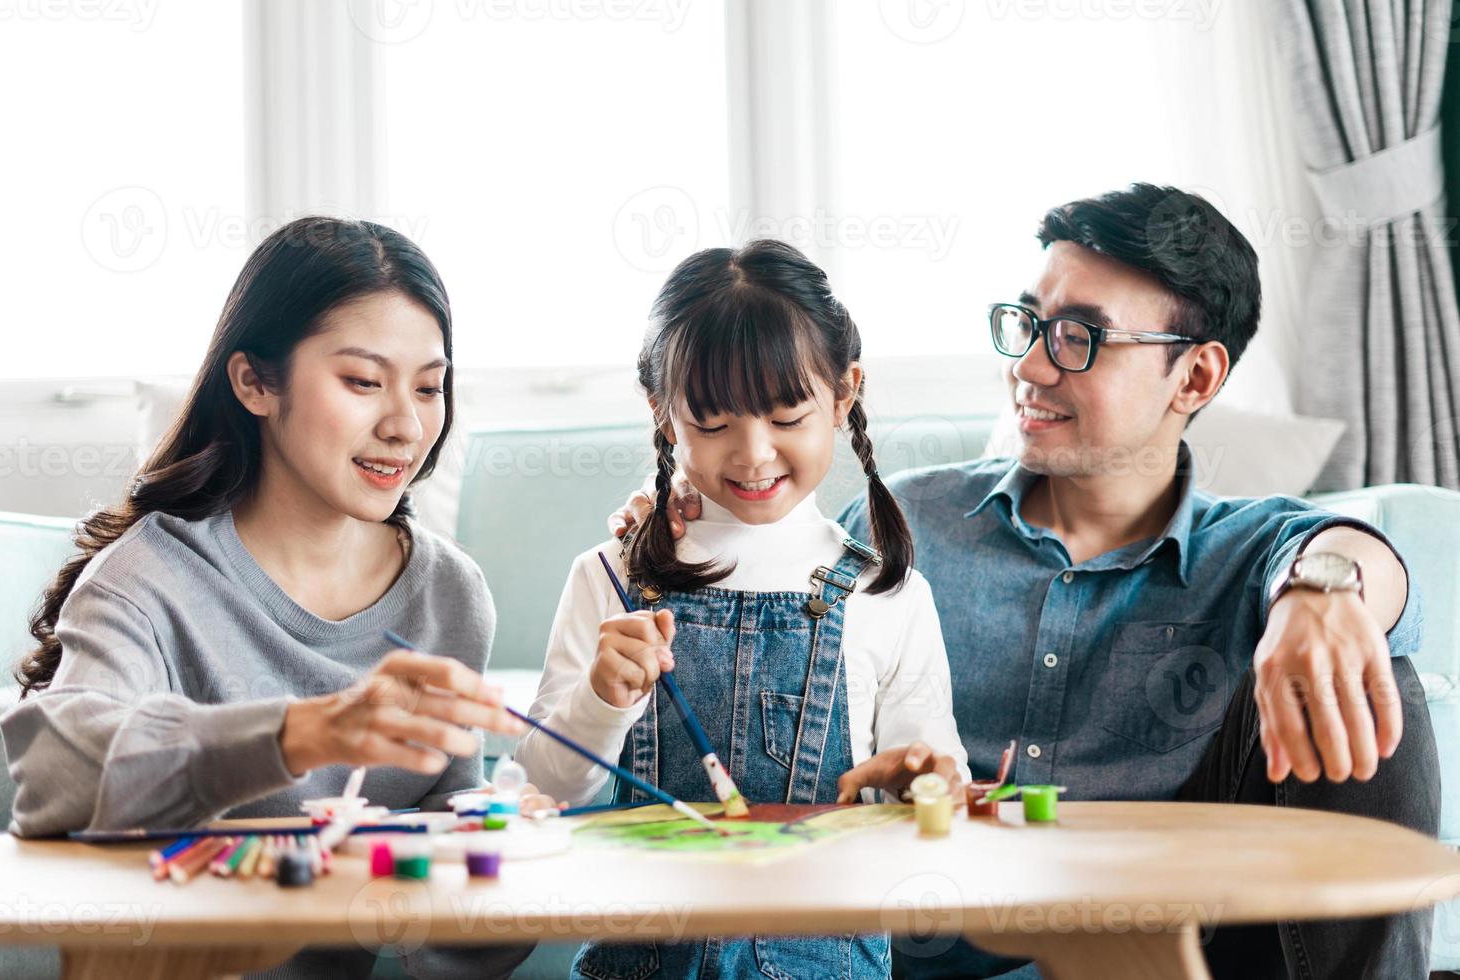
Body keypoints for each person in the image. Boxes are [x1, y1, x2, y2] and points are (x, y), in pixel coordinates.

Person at [612, 185, 1441, 979]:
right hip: (910, 954)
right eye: (1028, 324)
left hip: (1162, 959)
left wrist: (1321, 595)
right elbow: (763, 591)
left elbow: (1357, 555)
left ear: (1194, 378)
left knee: (1365, 675)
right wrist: (691, 516)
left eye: (1080, 337)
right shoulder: (909, 523)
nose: (1032, 368)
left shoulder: (1248, 550)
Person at [3, 216, 542, 979]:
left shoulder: (449, 594)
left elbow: (447, 921)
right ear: (255, 381)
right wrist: (300, 733)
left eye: (429, 387)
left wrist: (493, 851)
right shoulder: (150, 577)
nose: (406, 424)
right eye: (362, 382)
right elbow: (53, 774)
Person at [517, 239, 969, 980]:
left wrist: (924, 779)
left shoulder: (887, 593)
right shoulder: (608, 576)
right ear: (664, 415)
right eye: (714, 423)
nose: (755, 455)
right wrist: (601, 699)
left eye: (789, 416)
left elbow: (932, 776)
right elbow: (544, 786)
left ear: (844, 393)